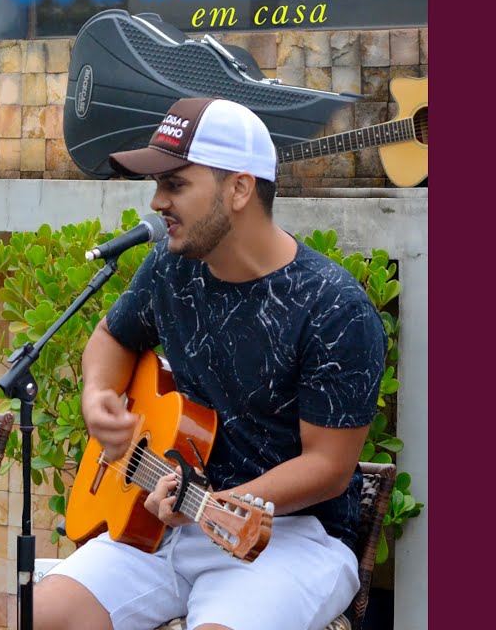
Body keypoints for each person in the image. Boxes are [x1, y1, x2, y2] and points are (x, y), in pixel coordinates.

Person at [34, 97, 387, 630]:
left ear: (239, 188)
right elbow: (112, 336)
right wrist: (97, 392)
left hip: (289, 537)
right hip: (162, 522)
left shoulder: (334, 308)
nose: (156, 201)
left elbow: (329, 468)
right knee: (38, 615)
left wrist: (212, 501)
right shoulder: (172, 268)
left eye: (175, 184)